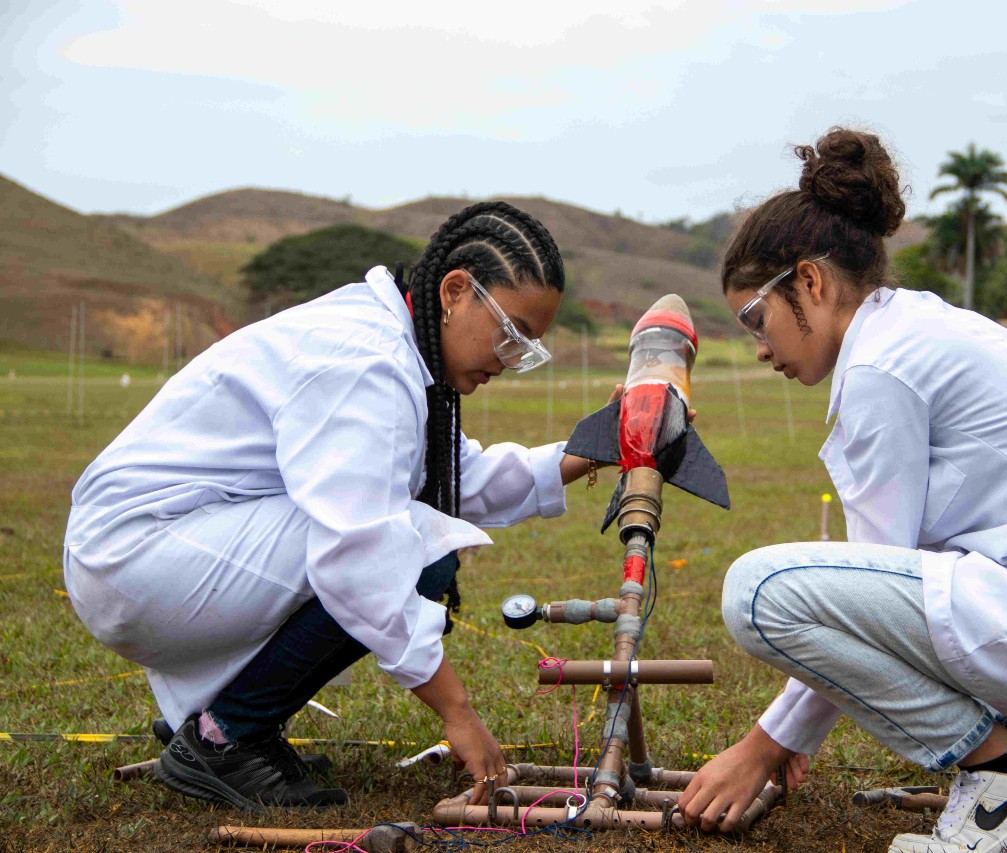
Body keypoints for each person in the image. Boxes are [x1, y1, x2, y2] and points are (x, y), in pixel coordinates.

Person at [677, 129, 1007, 853]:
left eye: (754, 320)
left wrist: (765, 745)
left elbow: (866, 590)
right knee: (876, 584)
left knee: (758, 593)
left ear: (810, 282)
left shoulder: (880, 367)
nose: (760, 347)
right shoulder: (924, 326)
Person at [63, 201, 603, 810]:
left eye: (528, 347)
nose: (511, 361)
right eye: (512, 335)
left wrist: (602, 445)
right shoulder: (366, 361)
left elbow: (462, 479)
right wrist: (458, 713)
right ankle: (225, 738)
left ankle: (231, 720)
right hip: (139, 557)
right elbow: (358, 555)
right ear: (456, 291)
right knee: (410, 549)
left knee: (415, 535)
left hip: (172, 547)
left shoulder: (400, 347)